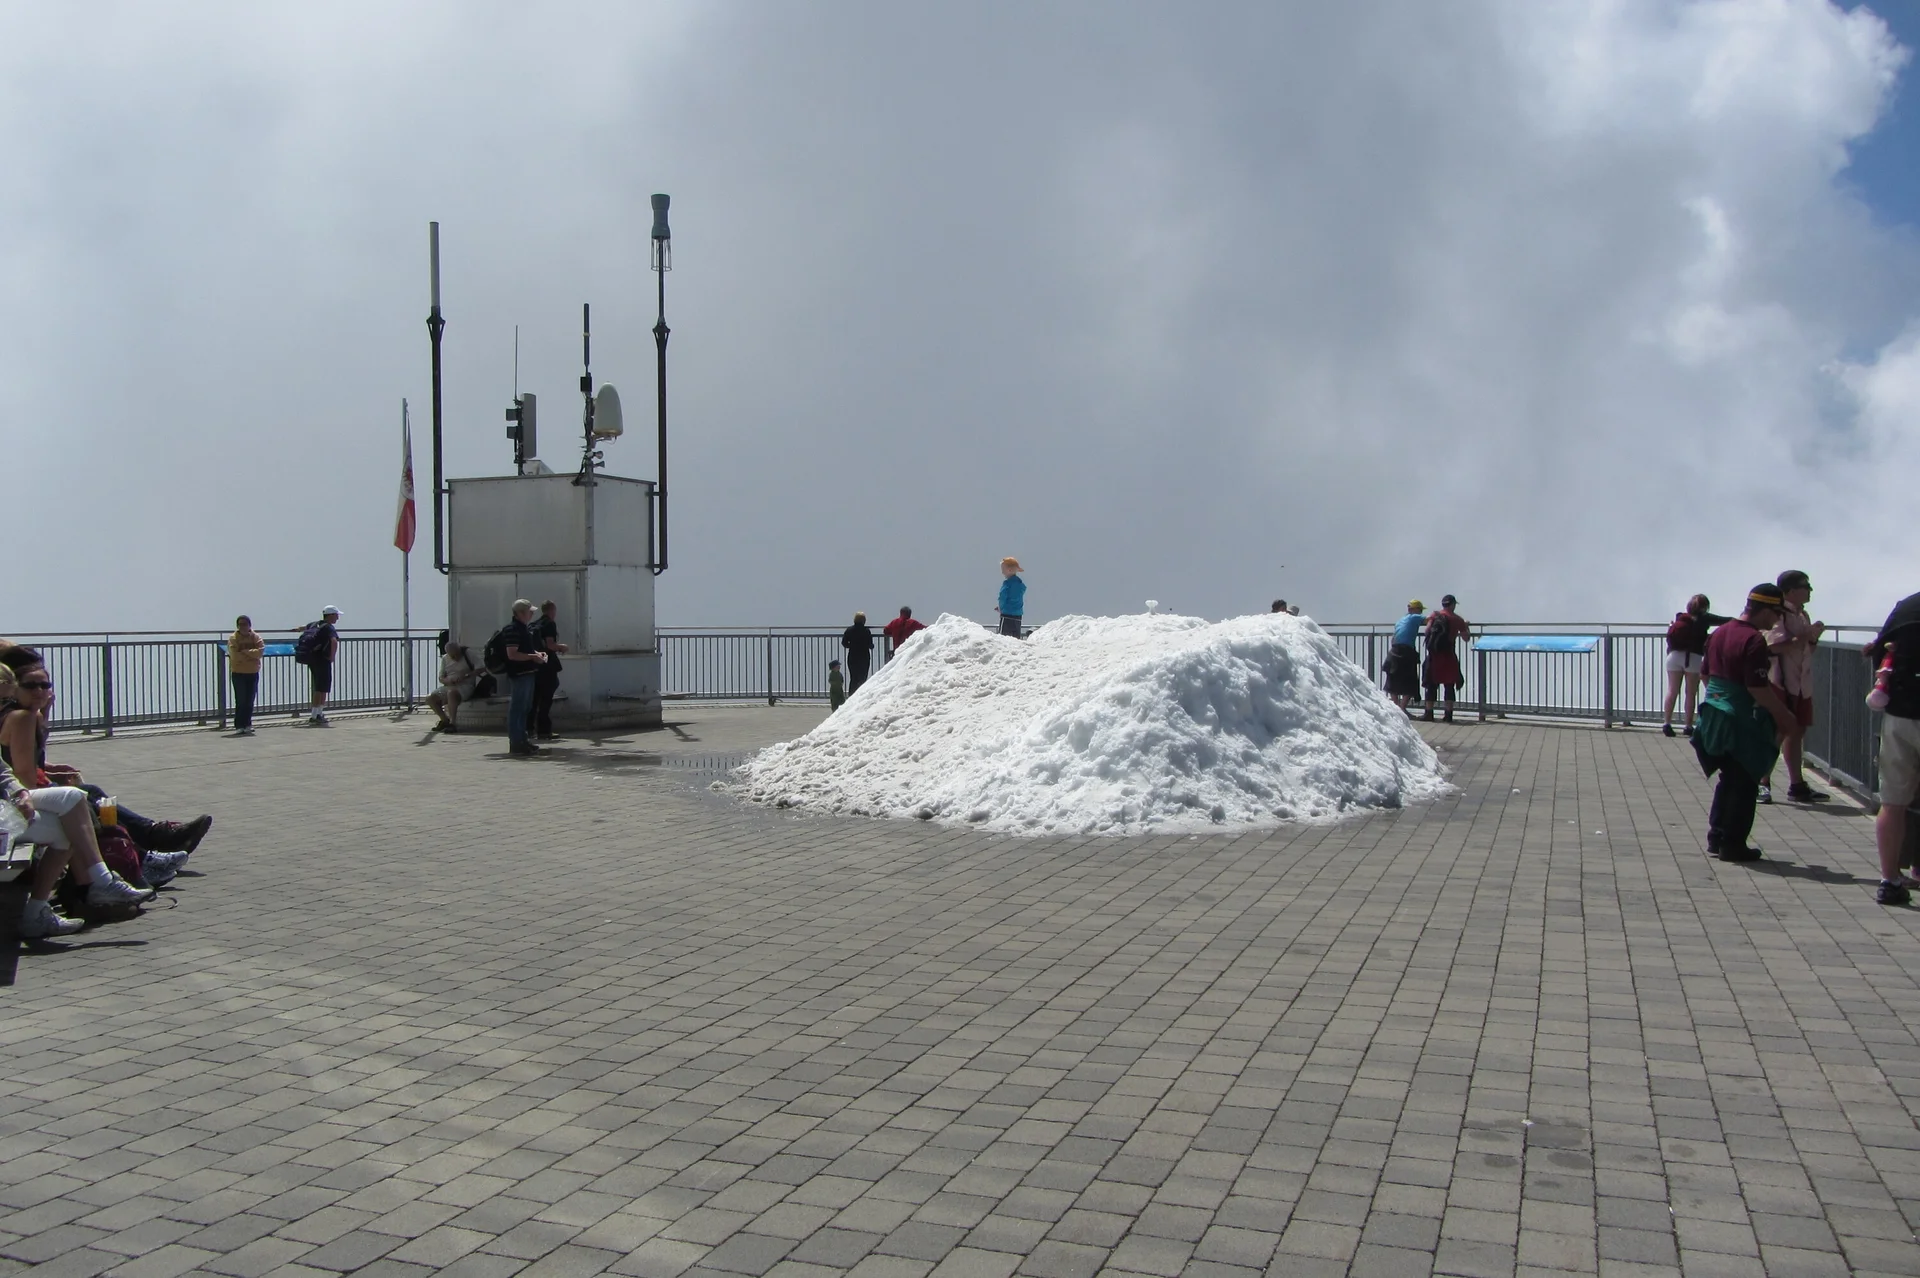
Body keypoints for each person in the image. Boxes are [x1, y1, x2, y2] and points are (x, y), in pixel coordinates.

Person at [0, 654, 203, 880]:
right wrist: (51, 784)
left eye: (44, 685)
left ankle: (150, 842)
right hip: (20, 797)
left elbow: (23, 759)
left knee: (91, 794)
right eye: (30, 686)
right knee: (85, 801)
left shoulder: (26, 715)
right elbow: (23, 774)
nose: (39, 691)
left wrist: (51, 767)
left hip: (22, 790)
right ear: (16, 688)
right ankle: (146, 850)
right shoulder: (21, 718)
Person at [1692, 584, 1796, 863]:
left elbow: (1705, 676)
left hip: (1714, 716)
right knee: (1746, 781)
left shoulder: (1720, 633)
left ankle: (1716, 837)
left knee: (1728, 778)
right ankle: (1733, 844)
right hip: (1740, 721)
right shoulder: (1753, 640)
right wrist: (1783, 716)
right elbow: (1757, 687)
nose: (1776, 620)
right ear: (1764, 609)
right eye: (1776, 613)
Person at [6, 768, 156, 939]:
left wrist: (21, 793)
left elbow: (3, 771)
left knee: (73, 797)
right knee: (66, 825)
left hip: (6, 801)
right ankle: (36, 914)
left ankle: (102, 881)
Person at [1866, 592, 1920, 904]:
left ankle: (1889, 881)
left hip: (1899, 714)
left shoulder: (1907, 607)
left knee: (1893, 802)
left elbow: (1878, 652)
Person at [1765, 570, 1828, 804]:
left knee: (1798, 731)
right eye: (1805, 586)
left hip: (1801, 683)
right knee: (1778, 731)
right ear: (1791, 591)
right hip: (1782, 681)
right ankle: (1763, 782)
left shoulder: (1802, 614)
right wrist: (1805, 636)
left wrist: (1812, 637)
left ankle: (1796, 784)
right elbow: (1774, 645)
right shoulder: (1779, 614)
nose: (1809, 590)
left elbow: (1806, 649)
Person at [1661, 595, 1728, 738]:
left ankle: (1667, 723)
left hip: (1674, 657)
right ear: (1704, 607)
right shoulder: (1703, 619)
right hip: (1693, 658)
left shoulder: (1680, 619)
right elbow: (1724, 621)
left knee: (1672, 691)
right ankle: (1688, 726)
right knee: (1690, 693)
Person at [500, 600, 548, 757]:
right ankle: (516, 742)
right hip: (519, 674)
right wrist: (533, 657)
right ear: (520, 613)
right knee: (518, 708)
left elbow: (525, 649)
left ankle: (522, 739)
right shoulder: (512, 629)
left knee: (525, 707)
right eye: (529, 611)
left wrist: (537, 654)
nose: (532, 614)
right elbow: (512, 654)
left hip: (527, 672)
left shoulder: (523, 629)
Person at [1421, 595, 1470, 723]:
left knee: (1431, 684)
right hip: (1449, 654)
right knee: (1449, 685)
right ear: (1453, 604)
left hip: (1434, 655)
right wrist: (1466, 625)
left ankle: (1429, 713)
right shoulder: (1457, 619)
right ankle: (1448, 715)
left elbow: (1427, 631)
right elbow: (1466, 638)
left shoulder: (1435, 615)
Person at [527, 600, 569, 741]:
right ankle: (544, 730)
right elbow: (550, 645)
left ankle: (529, 730)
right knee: (546, 698)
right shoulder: (549, 623)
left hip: (535, 665)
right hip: (547, 666)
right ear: (552, 610)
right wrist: (562, 647)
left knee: (534, 699)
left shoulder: (534, 624)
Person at [301, 606, 341, 725]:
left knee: (317, 686)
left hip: (312, 659)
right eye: (336, 615)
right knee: (323, 687)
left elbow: (303, 628)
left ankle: (315, 713)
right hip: (323, 660)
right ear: (330, 615)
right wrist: (332, 657)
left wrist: (296, 629)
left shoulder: (315, 624)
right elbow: (334, 641)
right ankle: (317, 714)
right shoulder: (329, 628)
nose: (337, 618)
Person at [428, 637, 477, 733]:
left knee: (451, 693)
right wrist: (447, 681)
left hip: (465, 685)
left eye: (456, 655)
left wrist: (465, 676)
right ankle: (444, 720)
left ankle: (453, 723)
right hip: (450, 684)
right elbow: (441, 677)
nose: (455, 658)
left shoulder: (468, 654)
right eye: (452, 656)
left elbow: (482, 668)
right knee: (430, 698)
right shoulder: (445, 658)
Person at [227, 615, 265, 736]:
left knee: (250, 700)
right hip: (238, 673)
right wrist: (250, 655)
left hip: (253, 672)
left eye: (245, 624)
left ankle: (248, 724)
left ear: (249, 625)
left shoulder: (256, 637)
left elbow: (260, 652)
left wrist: (245, 652)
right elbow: (235, 655)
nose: (242, 627)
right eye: (240, 624)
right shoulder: (233, 638)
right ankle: (239, 725)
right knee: (241, 700)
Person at [1385, 600, 1424, 712]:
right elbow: (1430, 619)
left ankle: (1396, 708)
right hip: (1406, 651)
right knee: (1411, 681)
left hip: (1394, 650)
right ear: (1414, 609)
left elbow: (1393, 638)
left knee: (1393, 680)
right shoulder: (1415, 617)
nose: (1420, 612)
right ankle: (1402, 708)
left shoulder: (1400, 620)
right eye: (1420, 609)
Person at [842, 612, 874, 694]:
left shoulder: (849, 630)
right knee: (862, 678)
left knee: (853, 678)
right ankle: (861, 696)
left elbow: (844, 643)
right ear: (864, 620)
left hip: (852, 656)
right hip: (864, 657)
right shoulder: (866, 631)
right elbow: (870, 645)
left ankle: (851, 696)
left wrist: (851, 646)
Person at [998, 558, 1026, 638]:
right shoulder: (1020, 584)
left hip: (1006, 615)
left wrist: (1001, 608)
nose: (1002, 572)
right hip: (1018, 616)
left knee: (1003, 639)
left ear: (1009, 570)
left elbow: (1002, 597)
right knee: (1015, 639)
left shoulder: (1007, 584)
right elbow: (1016, 598)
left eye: (1003, 569)